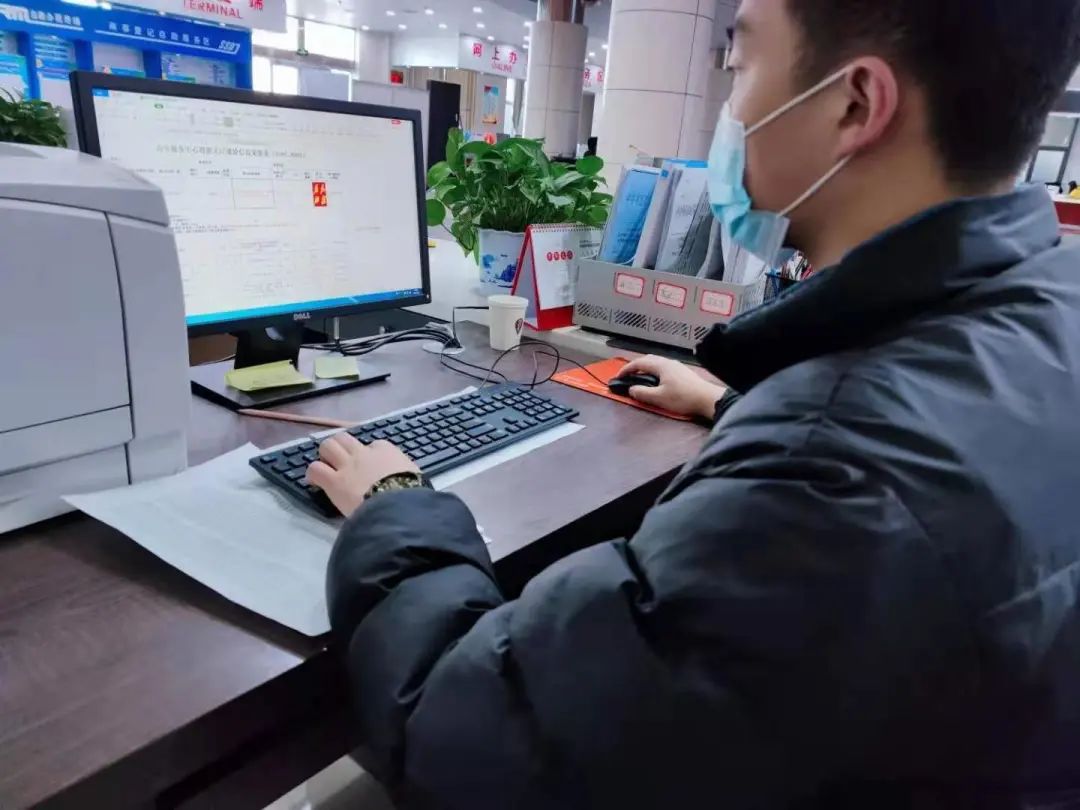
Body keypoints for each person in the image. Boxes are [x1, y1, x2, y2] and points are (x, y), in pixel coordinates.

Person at [310, 0, 1080, 806]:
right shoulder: (1048, 306)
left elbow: (465, 737)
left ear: (854, 105)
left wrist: (394, 507)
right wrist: (739, 407)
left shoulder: (823, 481)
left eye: (740, 68)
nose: (732, 111)